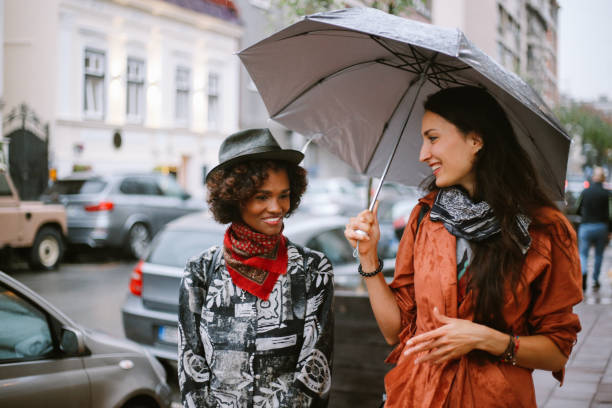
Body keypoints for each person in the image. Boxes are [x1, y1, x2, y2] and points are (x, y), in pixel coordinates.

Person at [344, 86, 583, 407]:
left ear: (476, 140)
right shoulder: (426, 218)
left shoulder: (545, 229)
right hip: (417, 396)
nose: (422, 154)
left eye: (433, 138)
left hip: (494, 399)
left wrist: (488, 339)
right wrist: (369, 258)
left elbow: (556, 352)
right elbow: (396, 332)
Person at [178, 128, 334, 407]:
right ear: (235, 198)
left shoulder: (314, 270)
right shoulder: (200, 271)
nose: (276, 208)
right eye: (262, 197)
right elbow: (191, 367)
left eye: (283, 195)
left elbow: (315, 367)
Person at [577, 166, 611, 290]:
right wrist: (610, 230)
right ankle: (596, 280)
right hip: (601, 227)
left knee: (583, 254)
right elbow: (610, 213)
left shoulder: (585, 191)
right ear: (603, 179)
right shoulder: (607, 194)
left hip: (586, 226)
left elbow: (578, 209)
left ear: (593, 177)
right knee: (598, 255)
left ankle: (584, 274)